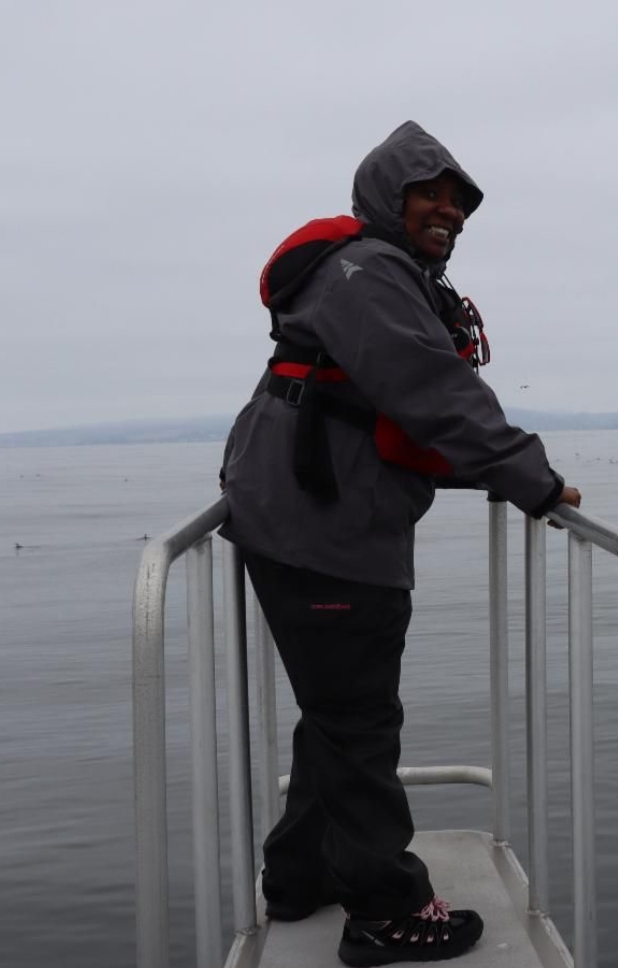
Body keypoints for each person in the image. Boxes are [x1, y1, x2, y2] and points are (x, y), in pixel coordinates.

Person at [219, 120, 580, 965]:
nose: (448, 210)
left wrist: (481, 469)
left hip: (302, 514)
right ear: (389, 195)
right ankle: (387, 911)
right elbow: (431, 389)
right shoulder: (372, 274)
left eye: (459, 202)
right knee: (358, 722)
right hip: (324, 527)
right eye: (432, 194)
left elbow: (380, 403)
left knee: (334, 714)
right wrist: (527, 476)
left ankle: (299, 876)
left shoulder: (364, 269)